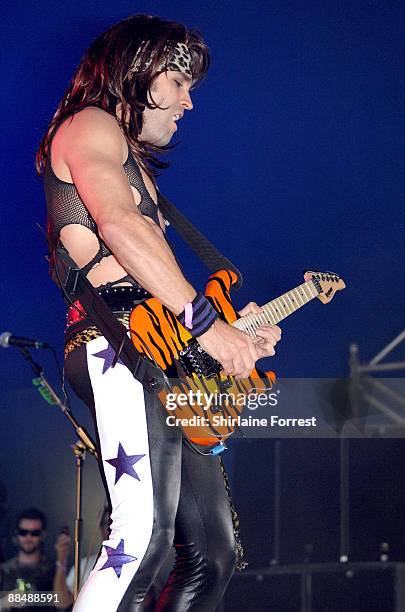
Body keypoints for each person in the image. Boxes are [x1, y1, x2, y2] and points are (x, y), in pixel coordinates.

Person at [36, 14, 282, 611]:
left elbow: (154, 281)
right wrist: (208, 326)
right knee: (138, 542)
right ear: (136, 72)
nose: (188, 102)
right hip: (117, 347)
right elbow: (119, 227)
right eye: (178, 81)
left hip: (158, 353)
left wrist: (229, 331)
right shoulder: (90, 124)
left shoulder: (131, 158)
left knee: (212, 555)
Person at [0, 508, 57, 611]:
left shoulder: (53, 571)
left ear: (43, 535)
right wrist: (4, 602)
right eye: (23, 532)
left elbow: (63, 604)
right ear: (17, 533)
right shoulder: (4, 570)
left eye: (34, 533)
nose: (28, 537)